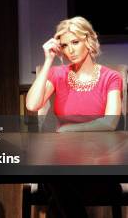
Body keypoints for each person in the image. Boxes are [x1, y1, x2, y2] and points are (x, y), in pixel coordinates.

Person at [25, 17, 123, 218]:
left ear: (88, 40)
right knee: (57, 177)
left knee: (58, 194)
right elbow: (32, 105)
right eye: (64, 45)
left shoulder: (111, 77)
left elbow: (110, 122)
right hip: (62, 161)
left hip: (98, 163)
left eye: (75, 42)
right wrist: (48, 60)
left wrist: (70, 129)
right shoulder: (57, 74)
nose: (70, 49)